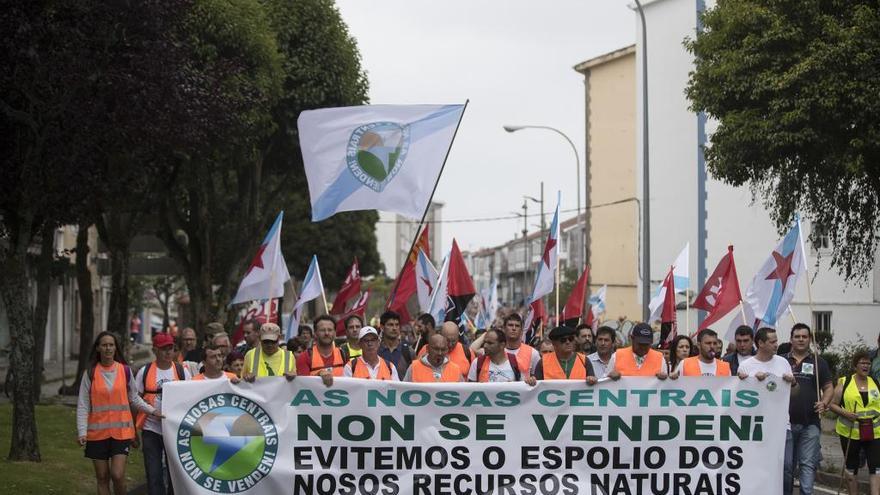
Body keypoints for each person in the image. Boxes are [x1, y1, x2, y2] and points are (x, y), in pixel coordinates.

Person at [78, 332, 160, 495]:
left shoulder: (125, 371)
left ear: (116, 348)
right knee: (102, 477)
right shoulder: (90, 373)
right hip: (97, 434)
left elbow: (134, 398)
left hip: (121, 433)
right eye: (104, 345)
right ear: (98, 348)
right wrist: (82, 431)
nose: (108, 348)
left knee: (117, 475)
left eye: (111, 345)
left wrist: (153, 411)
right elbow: (83, 404)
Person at [135, 332, 190, 495]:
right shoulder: (144, 372)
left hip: (174, 431)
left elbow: (191, 397)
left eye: (171, 348)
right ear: (154, 350)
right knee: (154, 474)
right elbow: (134, 399)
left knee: (175, 475)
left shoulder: (182, 372)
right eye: (163, 349)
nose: (168, 352)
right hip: (151, 429)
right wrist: (133, 430)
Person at [783, 323, 833, 495]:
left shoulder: (819, 362)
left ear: (810, 339)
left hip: (810, 423)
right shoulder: (781, 361)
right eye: (797, 336)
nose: (801, 339)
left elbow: (828, 387)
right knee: (786, 467)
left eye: (804, 336)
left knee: (807, 465)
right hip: (785, 424)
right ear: (791, 339)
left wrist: (825, 402)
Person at [829, 351, 880, 495]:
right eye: (862, 363)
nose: (866, 366)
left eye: (868, 363)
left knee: (876, 467)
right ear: (855, 365)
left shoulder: (875, 382)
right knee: (851, 467)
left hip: (875, 432)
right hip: (850, 432)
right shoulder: (844, 382)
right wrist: (845, 413)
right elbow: (832, 405)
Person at [468, 328, 536, 384]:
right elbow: (470, 389)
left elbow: (525, 387)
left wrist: (530, 382)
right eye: (484, 342)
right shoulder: (477, 363)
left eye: (490, 343)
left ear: (502, 345)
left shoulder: (517, 362)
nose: (485, 346)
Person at [296, 315, 347, 379]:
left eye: (330, 330)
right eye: (322, 330)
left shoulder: (344, 354)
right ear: (315, 333)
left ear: (335, 333)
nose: (326, 333)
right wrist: (318, 376)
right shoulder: (304, 357)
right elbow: (302, 384)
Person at [378, 310, 414, 376]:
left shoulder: (408, 352)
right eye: (390, 325)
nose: (394, 328)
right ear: (382, 327)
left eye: (397, 325)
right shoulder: (376, 351)